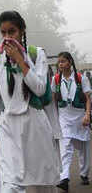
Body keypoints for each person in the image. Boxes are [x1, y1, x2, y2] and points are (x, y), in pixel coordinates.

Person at [0, 11, 60, 193]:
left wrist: (21, 61)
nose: (7, 38)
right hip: (8, 127)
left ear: (22, 31)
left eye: (11, 32)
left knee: (42, 183)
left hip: (34, 125)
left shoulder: (37, 54)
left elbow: (40, 89)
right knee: (9, 184)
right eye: (3, 33)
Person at [52, 52, 91, 191]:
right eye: (59, 62)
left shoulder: (81, 78)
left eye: (63, 61)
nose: (60, 64)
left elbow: (87, 98)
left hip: (80, 118)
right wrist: (54, 119)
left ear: (70, 62)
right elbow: (53, 100)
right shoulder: (55, 79)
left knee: (83, 149)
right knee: (66, 147)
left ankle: (84, 173)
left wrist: (87, 115)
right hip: (64, 118)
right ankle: (65, 178)